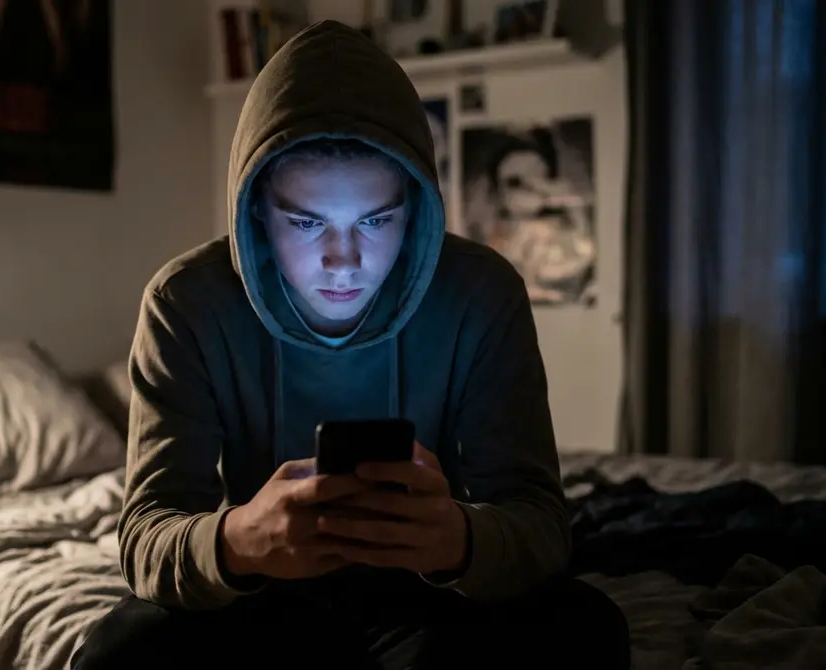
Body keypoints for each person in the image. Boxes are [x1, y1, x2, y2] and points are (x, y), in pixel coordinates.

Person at [70, 19, 629, 670]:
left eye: (376, 220)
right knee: (117, 654)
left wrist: (459, 539)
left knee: (586, 630)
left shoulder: (481, 293)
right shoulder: (186, 304)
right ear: (256, 212)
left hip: (430, 592)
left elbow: (538, 522)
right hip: (264, 592)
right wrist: (237, 541)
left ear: (414, 210)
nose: (344, 260)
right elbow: (146, 537)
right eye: (307, 223)